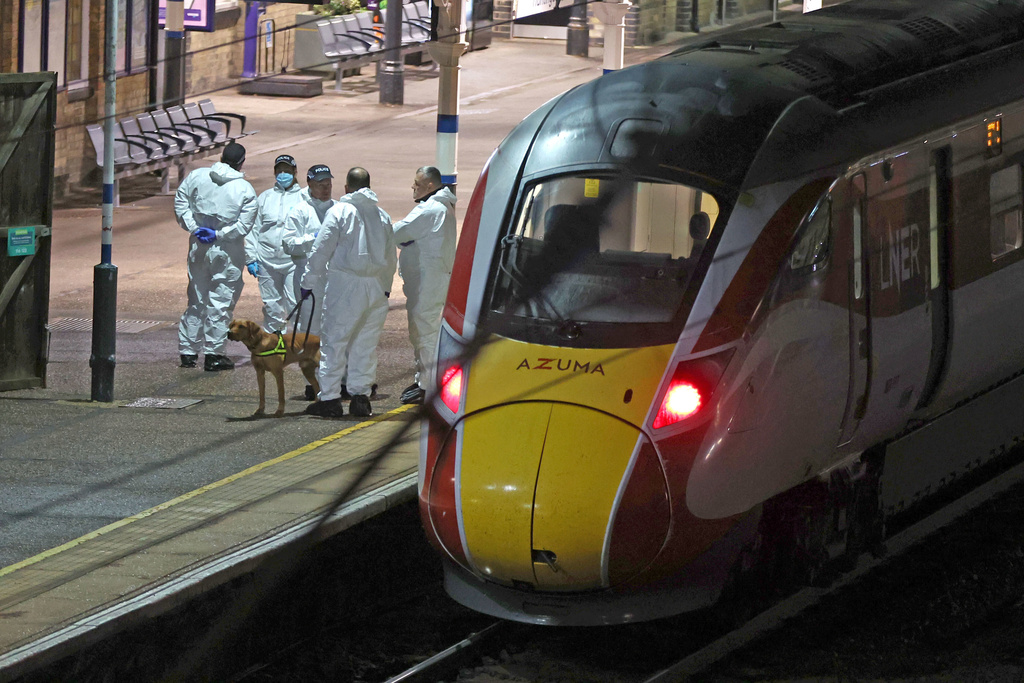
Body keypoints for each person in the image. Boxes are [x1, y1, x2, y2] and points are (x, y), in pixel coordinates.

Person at [302, 167, 396, 418]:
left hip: (345, 285)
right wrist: (385, 289)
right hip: (375, 287)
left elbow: (321, 249)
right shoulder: (382, 215)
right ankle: (360, 398)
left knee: (334, 342)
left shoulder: (339, 212)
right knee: (364, 345)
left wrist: (308, 282)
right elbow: (391, 258)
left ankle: (330, 399)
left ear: (346, 188)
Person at [175, 142, 257, 371]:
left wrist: (195, 228)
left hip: (198, 246)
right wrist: (219, 234)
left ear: (221, 157)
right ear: (242, 162)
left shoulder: (197, 176)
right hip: (226, 250)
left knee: (196, 298)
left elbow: (181, 202)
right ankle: (214, 353)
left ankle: (188, 351)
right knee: (221, 301)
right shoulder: (245, 189)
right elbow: (244, 226)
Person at [393, 166, 456, 404]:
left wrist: (403, 240)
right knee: (421, 329)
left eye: (417, 183)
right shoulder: (440, 207)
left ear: (430, 185)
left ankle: (429, 386)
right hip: (429, 280)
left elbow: (398, 232)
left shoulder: (430, 209)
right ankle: (423, 379)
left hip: (429, 281)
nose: (413, 187)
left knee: (425, 330)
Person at [282, 164, 337, 400]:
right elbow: (288, 244)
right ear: (310, 185)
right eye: (320, 185)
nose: (325, 189)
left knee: (334, 329)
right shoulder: (300, 211)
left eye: (328, 184)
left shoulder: (339, 209)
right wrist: (313, 239)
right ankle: (311, 382)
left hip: (334, 278)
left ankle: (334, 380)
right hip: (308, 279)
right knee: (310, 331)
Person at [245, 154, 305, 334]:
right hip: (266, 261)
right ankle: (275, 341)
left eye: (287, 170)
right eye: (279, 171)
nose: (283, 174)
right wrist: (251, 258)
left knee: (295, 304)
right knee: (272, 305)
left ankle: (298, 342)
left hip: (293, 262)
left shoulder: (304, 198)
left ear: (295, 172)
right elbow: (253, 229)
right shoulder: (265, 198)